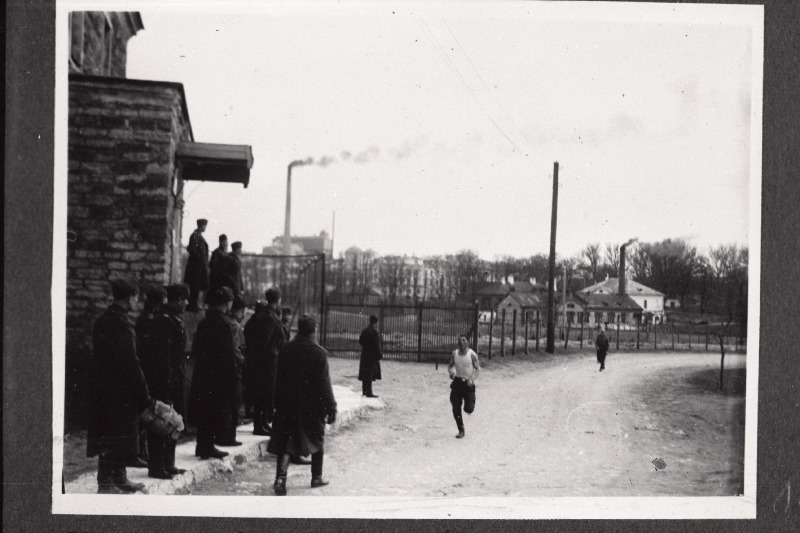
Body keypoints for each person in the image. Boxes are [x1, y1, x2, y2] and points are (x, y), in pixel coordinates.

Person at [86, 279, 152, 493]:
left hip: (102, 388)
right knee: (117, 433)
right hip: (120, 390)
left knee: (112, 433)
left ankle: (119, 477)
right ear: (130, 297)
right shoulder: (122, 324)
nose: (137, 300)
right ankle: (106, 481)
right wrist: (143, 392)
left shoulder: (103, 320)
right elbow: (130, 362)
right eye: (135, 296)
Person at [267, 315, 338, 495]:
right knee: (317, 439)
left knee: (286, 442)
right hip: (312, 407)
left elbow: (278, 379)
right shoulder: (319, 353)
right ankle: (316, 477)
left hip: (288, 404)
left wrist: (276, 402)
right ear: (314, 330)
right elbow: (324, 385)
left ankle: (280, 479)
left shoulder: (286, 349)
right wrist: (331, 408)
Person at [137, 284, 190, 478]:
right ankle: (157, 467)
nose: (187, 303)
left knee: (173, 422)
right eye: (184, 299)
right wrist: (166, 386)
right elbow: (163, 358)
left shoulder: (172, 319)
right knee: (161, 422)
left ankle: (169, 464)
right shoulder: (164, 321)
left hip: (174, 380)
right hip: (164, 381)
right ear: (176, 300)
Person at [188, 287, 238, 459]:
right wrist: (233, 378)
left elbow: (195, 350)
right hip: (219, 375)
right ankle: (207, 446)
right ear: (226, 303)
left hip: (203, 372)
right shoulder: (224, 324)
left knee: (204, 409)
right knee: (215, 409)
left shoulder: (204, 322)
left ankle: (203, 444)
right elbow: (228, 354)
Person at [243, 287, 286, 436]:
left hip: (265, 359)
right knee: (263, 392)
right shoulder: (268, 316)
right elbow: (266, 340)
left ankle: (263, 423)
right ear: (278, 299)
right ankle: (259, 425)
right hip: (266, 360)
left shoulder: (265, 314)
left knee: (265, 392)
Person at [217, 294, 248, 446]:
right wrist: (243, 360)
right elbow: (235, 348)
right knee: (232, 402)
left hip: (227, 368)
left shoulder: (229, 322)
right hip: (235, 367)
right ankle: (228, 435)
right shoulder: (234, 325)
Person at [447, 335, 480, 439]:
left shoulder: (472, 354)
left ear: (467, 342)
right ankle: (461, 429)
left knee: (469, 409)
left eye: (464, 340)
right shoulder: (454, 354)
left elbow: (477, 369)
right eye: (460, 340)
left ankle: (471, 401)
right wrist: (451, 372)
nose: (461, 342)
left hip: (468, 384)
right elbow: (450, 366)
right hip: (457, 382)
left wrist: (472, 379)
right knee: (455, 408)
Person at [184, 219, 209, 312]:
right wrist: (198, 258)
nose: (205, 227)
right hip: (195, 267)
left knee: (197, 286)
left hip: (200, 266)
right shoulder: (195, 235)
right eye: (205, 225)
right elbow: (191, 248)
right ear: (201, 225)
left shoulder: (198, 235)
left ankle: (194, 304)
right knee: (194, 285)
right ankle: (192, 305)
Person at [358, 314, 382, 398]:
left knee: (365, 373)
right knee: (370, 374)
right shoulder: (374, 332)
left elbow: (360, 341)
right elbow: (376, 345)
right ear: (376, 322)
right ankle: (369, 392)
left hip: (365, 354)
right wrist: (379, 354)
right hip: (371, 355)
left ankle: (364, 391)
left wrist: (366, 347)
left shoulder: (365, 330)